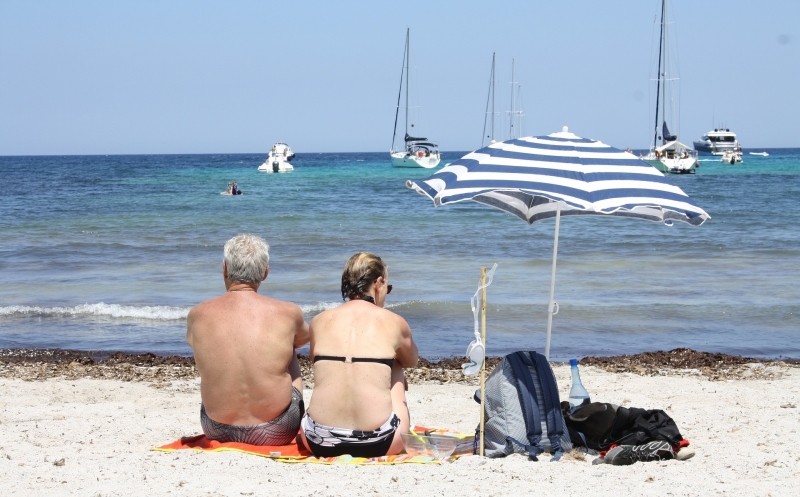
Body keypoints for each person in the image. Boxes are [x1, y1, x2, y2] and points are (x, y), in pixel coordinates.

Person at [186, 234, 309, 445]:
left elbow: (194, 343)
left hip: (215, 428)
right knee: (289, 348)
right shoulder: (288, 312)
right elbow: (304, 339)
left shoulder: (198, 314)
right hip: (278, 429)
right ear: (265, 273)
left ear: (225, 269)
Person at [300, 252, 418, 458]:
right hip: (382, 442)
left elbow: (314, 362)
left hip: (316, 439)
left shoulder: (319, 321)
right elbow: (411, 361)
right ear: (378, 283)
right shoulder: (394, 321)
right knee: (396, 365)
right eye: (388, 289)